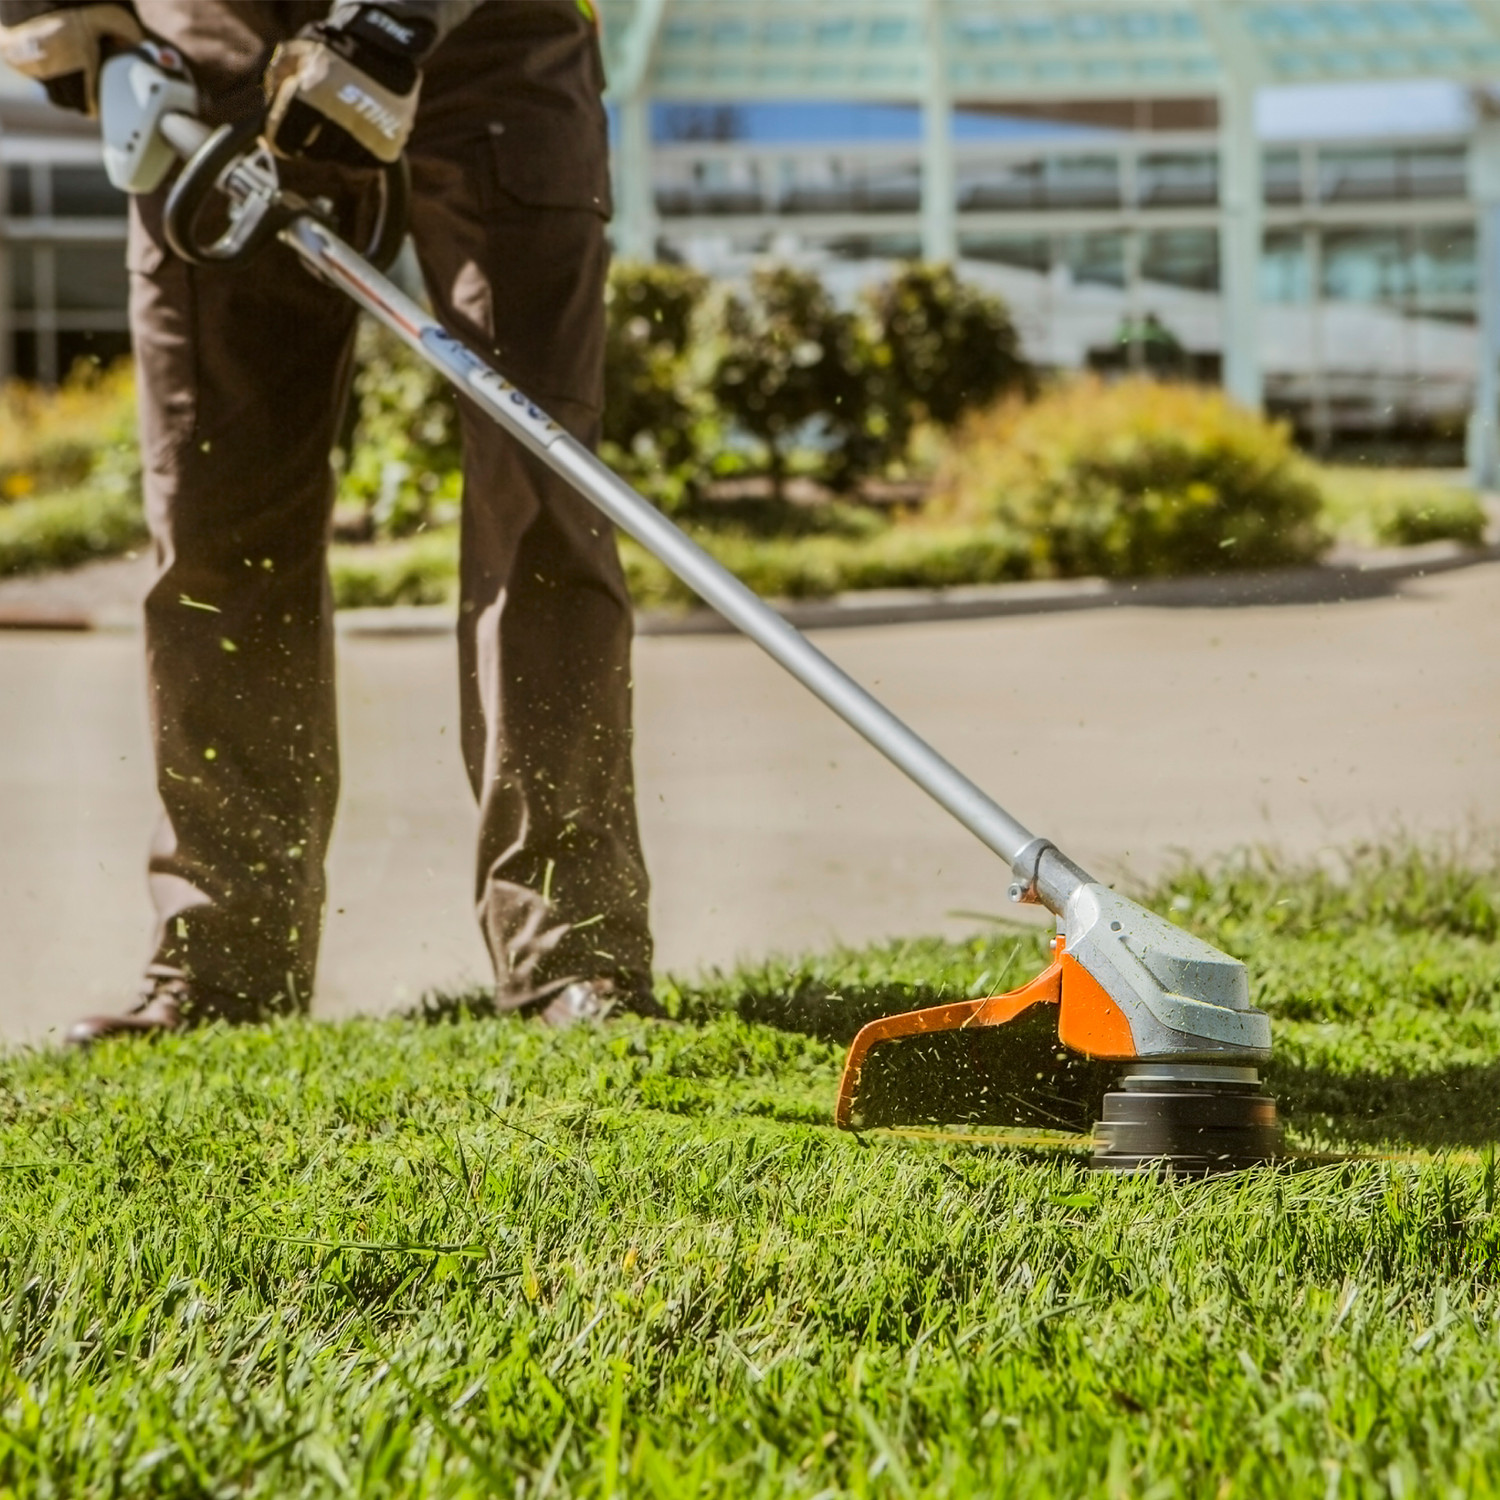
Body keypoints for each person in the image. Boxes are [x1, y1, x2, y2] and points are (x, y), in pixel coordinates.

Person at [0, 0, 656, 1036]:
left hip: (490, 50)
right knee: (217, 518)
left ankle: (571, 955)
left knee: (539, 498)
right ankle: (224, 962)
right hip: (212, 57)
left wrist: (391, 21)